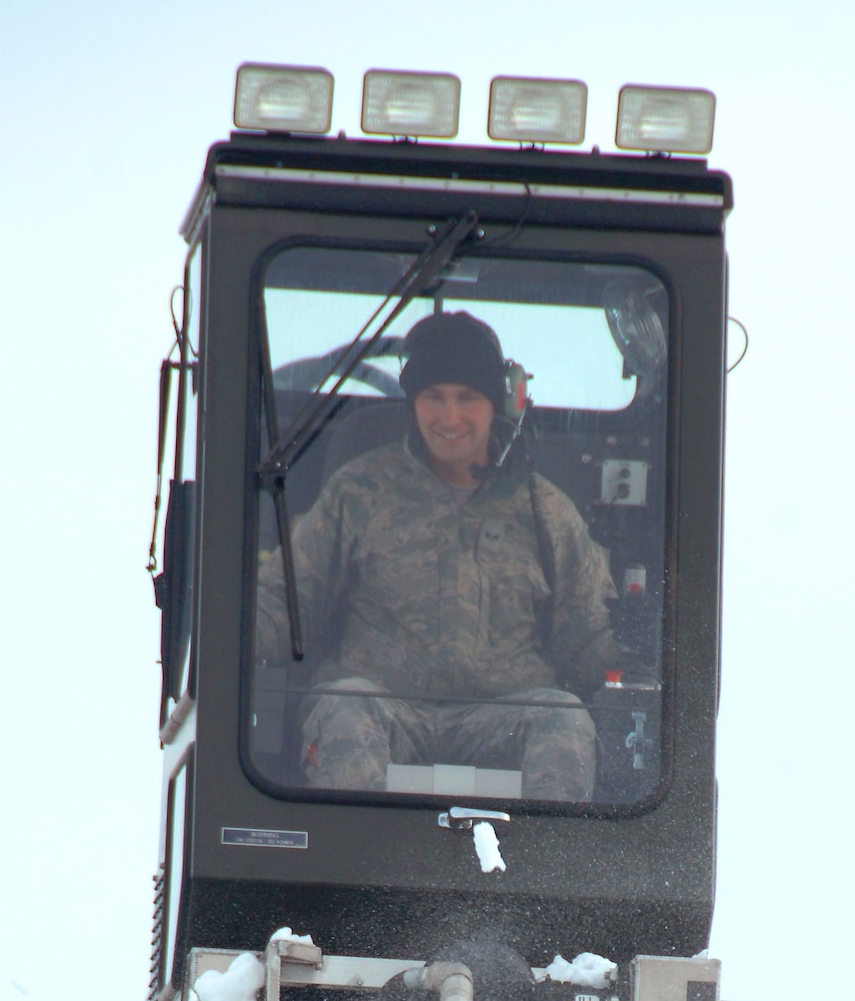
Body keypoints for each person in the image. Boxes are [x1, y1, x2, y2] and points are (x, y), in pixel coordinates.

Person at [256, 310, 618, 800]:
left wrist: (630, 671)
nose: (450, 418)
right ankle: (354, 871)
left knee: (563, 719)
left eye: (467, 398)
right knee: (345, 706)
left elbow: (587, 636)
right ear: (414, 403)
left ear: (499, 404)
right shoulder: (359, 492)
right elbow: (285, 602)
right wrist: (235, 633)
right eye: (434, 398)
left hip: (500, 719)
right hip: (385, 711)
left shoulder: (545, 512)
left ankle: (541, 869)